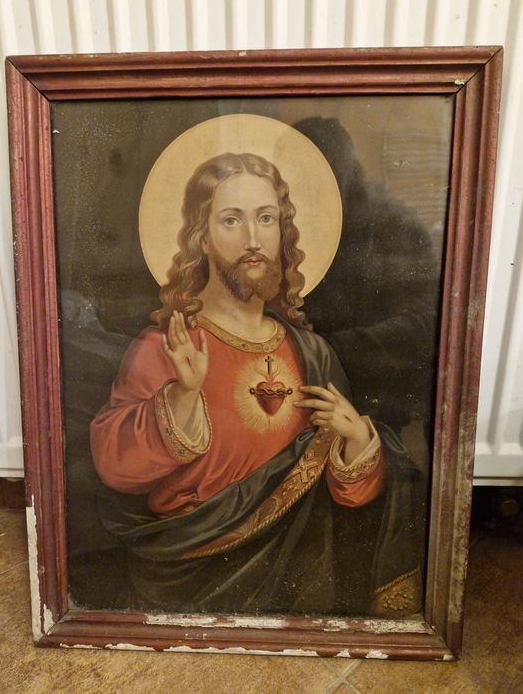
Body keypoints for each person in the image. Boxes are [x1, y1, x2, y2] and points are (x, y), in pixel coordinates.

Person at [90, 152, 423, 617]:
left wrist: (356, 440)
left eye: (266, 218)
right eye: (231, 220)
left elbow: (348, 496)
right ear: (201, 237)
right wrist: (182, 395)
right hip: (187, 576)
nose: (253, 239)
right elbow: (114, 468)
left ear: (283, 232)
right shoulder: (165, 347)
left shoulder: (313, 354)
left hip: (297, 580)